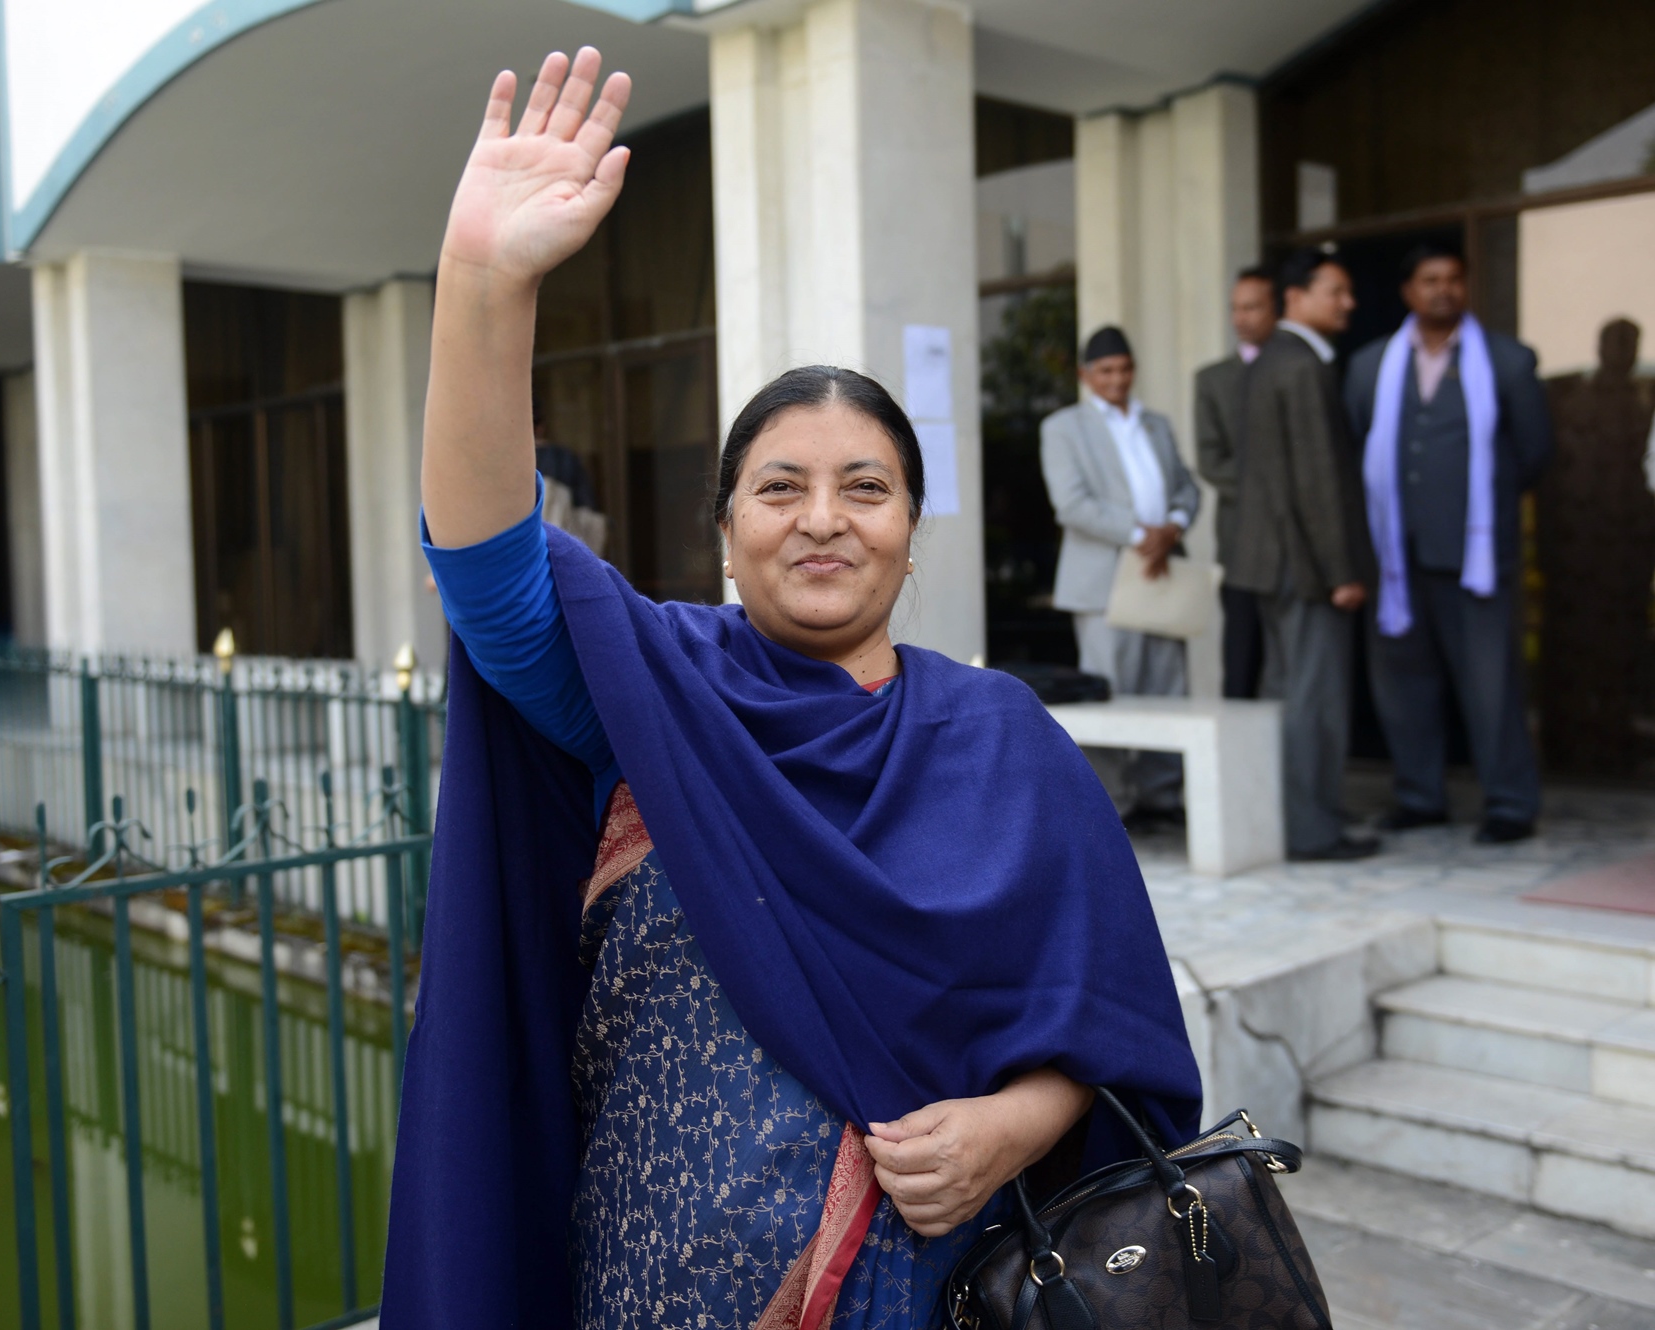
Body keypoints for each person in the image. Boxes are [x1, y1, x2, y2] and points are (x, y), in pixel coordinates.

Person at [379, 48, 1200, 1330]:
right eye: (780, 487)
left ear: (912, 532)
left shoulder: (1001, 741)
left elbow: (1118, 1032)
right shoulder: (648, 693)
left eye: (865, 488)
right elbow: (486, 567)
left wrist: (1010, 1123)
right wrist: (484, 286)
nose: (824, 520)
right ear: (725, 529)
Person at [1345, 242, 1553, 843]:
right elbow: (1360, 444)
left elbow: (1534, 454)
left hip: (1477, 558)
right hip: (1394, 559)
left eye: (1454, 280)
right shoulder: (1370, 366)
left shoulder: (1509, 362)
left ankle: (1510, 803)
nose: (1444, 290)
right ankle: (1419, 795)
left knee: (1491, 686)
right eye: (1430, 280)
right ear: (1408, 291)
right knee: (1403, 685)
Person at [1230, 248, 1379, 862]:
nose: (1349, 303)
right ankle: (1313, 830)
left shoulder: (1268, 362)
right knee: (1313, 705)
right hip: (1306, 566)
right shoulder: (1306, 366)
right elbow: (1318, 482)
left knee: (1286, 699)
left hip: (1271, 562)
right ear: (1298, 297)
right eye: (1336, 292)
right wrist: (1342, 570)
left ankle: (1293, 818)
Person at [1040, 325, 1201, 828]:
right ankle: (1110, 805)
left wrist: (1172, 527)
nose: (1118, 379)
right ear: (1087, 376)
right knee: (1109, 691)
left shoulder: (1155, 423)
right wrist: (1139, 535)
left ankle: (1161, 797)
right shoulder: (1064, 427)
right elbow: (1071, 504)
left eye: (1125, 369)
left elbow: (1187, 487)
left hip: (1161, 570)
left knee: (1167, 686)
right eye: (1106, 370)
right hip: (1105, 578)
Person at [1540, 318, 1655, 776]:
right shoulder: (1574, 401)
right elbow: (1556, 477)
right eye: (1616, 343)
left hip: (1625, 551)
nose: (1623, 352)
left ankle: (1613, 737)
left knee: (1620, 652)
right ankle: (1572, 741)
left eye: (1631, 344)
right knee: (1576, 652)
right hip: (1581, 553)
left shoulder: (1642, 402)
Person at [1194, 267, 1279, 698]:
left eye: (1253, 307)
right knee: (1242, 657)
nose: (1242, 317)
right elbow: (1211, 460)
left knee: (1292, 662)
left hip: (1296, 545)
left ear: (1276, 309)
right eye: (1236, 308)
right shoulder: (1213, 379)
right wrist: (1274, 494)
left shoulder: (1304, 367)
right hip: (1241, 538)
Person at [533, 398, 609, 554]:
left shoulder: (506, 462)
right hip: (563, 548)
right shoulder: (563, 458)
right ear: (541, 427)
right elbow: (589, 512)